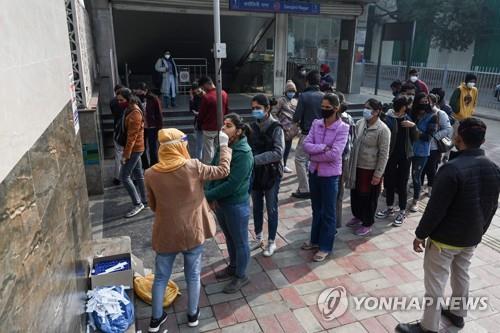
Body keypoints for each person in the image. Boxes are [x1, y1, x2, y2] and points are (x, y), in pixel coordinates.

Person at [396, 118, 500, 333]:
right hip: (471, 237)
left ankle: (428, 327)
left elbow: (435, 209)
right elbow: (492, 205)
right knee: (462, 275)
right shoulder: (493, 168)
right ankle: (458, 314)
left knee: (435, 284)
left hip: (445, 240)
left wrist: (420, 234)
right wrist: (480, 232)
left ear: (458, 137)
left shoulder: (451, 169)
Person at [145, 128, 232, 332]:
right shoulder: (193, 166)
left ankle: (155, 320)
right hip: (193, 231)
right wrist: (224, 146)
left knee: (160, 277)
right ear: (179, 146)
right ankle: (193, 315)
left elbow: (152, 205)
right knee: (193, 275)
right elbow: (223, 171)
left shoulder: (150, 174)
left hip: (166, 233)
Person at [205, 113, 254, 293]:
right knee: (230, 237)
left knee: (240, 241)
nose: (223, 129)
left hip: (235, 204)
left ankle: (241, 275)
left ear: (239, 131)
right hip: (222, 202)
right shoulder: (224, 146)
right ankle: (233, 267)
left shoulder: (244, 153)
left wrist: (208, 195)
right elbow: (214, 169)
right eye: (223, 125)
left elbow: (232, 184)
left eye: (228, 126)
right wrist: (208, 192)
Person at [301, 93, 349, 261]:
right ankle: (315, 240)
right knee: (316, 209)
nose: (324, 110)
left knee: (328, 212)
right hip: (314, 172)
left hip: (330, 176)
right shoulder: (316, 123)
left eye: (327, 108)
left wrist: (314, 154)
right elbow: (306, 145)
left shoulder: (343, 128)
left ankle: (325, 246)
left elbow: (335, 154)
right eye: (323, 107)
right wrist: (322, 148)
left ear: (336, 109)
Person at [345, 99, 390, 236]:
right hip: (356, 166)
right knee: (356, 194)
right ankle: (358, 216)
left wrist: (378, 174)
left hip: (370, 169)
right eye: (365, 107)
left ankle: (367, 222)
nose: (365, 110)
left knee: (368, 197)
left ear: (377, 112)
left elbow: (384, 154)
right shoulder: (360, 123)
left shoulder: (383, 130)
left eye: (368, 108)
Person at [249, 94, 285, 257]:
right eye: (253, 108)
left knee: (271, 207)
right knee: (256, 205)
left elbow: (278, 153)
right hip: (256, 173)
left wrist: (254, 159)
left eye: (258, 108)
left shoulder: (276, 127)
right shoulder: (251, 127)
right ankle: (258, 237)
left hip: (271, 173)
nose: (255, 111)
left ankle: (271, 241)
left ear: (267, 108)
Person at [376, 96, 417, 226]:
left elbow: (414, 138)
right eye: (407, 105)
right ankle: (389, 208)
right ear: (403, 107)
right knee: (389, 182)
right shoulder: (388, 119)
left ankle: (402, 211)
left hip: (405, 156)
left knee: (402, 183)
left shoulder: (408, 120)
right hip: (391, 156)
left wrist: (413, 126)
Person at [292, 70, 324, 199]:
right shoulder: (324, 96)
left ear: (307, 81)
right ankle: (314, 186)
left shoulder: (304, 96)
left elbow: (296, 117)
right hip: (322, 135)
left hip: (307, 134)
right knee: (315, 161)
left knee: (300, 160)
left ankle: (305, 189)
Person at [116, 88, 148, 218]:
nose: (119, 102)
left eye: (121, 100)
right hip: (136, 148)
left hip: (134, 149)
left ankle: (137, 203)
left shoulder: (134, 113)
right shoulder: (130, 108)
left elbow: (132, 138)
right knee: (139, 175)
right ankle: (145, 200)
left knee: (124, 177)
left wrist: (125, 155)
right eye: (118, 100)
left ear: (128, 99)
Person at [408, 93, 438, 213]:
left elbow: (428, 137)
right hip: (407, 149)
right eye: (422, 101)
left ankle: (415, 200)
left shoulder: (432, 116)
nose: (424, 104)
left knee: (416, 176)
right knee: (406, 174)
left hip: (421, 151)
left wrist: (414, 127)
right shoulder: (412, 113)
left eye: (427, 102)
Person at [420, 94, 452, 196]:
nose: (425, 104)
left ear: (434, 102)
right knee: (421, 168)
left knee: (431, 168)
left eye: (427, 102)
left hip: (433, 147)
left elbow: (448, 129)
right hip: (421, 145)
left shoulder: (440, 113)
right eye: (424, 102)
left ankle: (430, 188)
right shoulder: (421, 112)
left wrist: (434, 136)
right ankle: (419, 187)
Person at [198, 76, 229, 164]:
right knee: (219, 150)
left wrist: (199, 124)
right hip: (221, 127)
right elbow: (226, 111)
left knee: (208, 153)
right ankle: (219, 168)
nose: (203, 89)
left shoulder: (206, 97)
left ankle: (209, 172)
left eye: (203, 87)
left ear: (207, 84)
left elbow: (201, 114)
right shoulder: (224, 93)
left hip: (208, 129)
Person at [336, 92, 356, 228]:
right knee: (338, 192)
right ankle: (336, 222)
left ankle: (336, 222)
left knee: (337, 192)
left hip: (340, 160)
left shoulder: (344, 120)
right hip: (343, 159)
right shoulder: (349, 119)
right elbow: (353, 139)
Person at [134, 82, 163, 169]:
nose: (138, 92)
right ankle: (145, 165)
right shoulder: (136, 99)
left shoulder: (153, 98)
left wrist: (159, 126)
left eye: (140, 90)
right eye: (137, 90)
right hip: (142, 126)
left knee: (152, 146)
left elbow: (159, 113)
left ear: (145, 90)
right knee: (142, 146)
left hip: (152, 126)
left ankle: (154, 164)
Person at [275, 80, 299, 173]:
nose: (291, 93)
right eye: (290, 91)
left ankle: (284, 165)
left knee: (287, 148)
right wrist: (279, 124)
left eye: (293, 91)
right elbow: (274, 113)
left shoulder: (295, 101)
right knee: (280, 148)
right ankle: (278, 165)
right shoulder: (281, 100)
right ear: (286, 91)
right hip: (282, 129)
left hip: (291, 130)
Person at [110, 83, 125, 185]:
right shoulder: (126, 102)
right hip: (125, 129)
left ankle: (117, 177)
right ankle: (133, 177)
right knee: (130, 154)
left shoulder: (112, 102)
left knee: (118, 154)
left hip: (117, 130)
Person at [189, 82, 205, 159]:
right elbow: (191, 109)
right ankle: (199, 161)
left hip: (206, 122)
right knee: (199, 145)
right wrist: (191, 98)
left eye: (198, 90)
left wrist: (200, 113)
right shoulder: (195, 98)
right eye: (195, 91)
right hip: (198, 122)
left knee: (206, 145)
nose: (197, 92)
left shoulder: (205, 96)